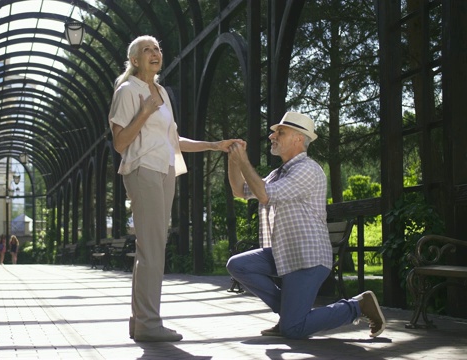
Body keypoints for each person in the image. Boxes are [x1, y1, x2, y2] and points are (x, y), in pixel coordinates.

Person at [108, 35, 244, 343]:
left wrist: (213, 145)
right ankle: (149, 323)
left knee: (153, 246)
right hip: (143, 169)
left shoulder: (162, 93)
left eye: (157, 48)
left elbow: (174, 140)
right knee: (152, 248)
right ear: (135, 60)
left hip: (165, 169)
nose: (155, 52)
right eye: (147, 50)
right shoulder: (128, 91)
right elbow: (120, 143)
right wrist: (144, 111)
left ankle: (140, 320)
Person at [225, 111, 386, 339]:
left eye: (280, 132)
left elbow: (263, 195)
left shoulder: (307, 169)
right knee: (238, 265)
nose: (272, 136)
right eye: (274, 132)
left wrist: (244, 161)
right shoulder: (279, 172)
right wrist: (234, 161)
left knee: (293, 329)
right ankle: (291, 313)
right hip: (283, 254)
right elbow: (239, 191)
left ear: (299, 138)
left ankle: (357, 306)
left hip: (306, 260)